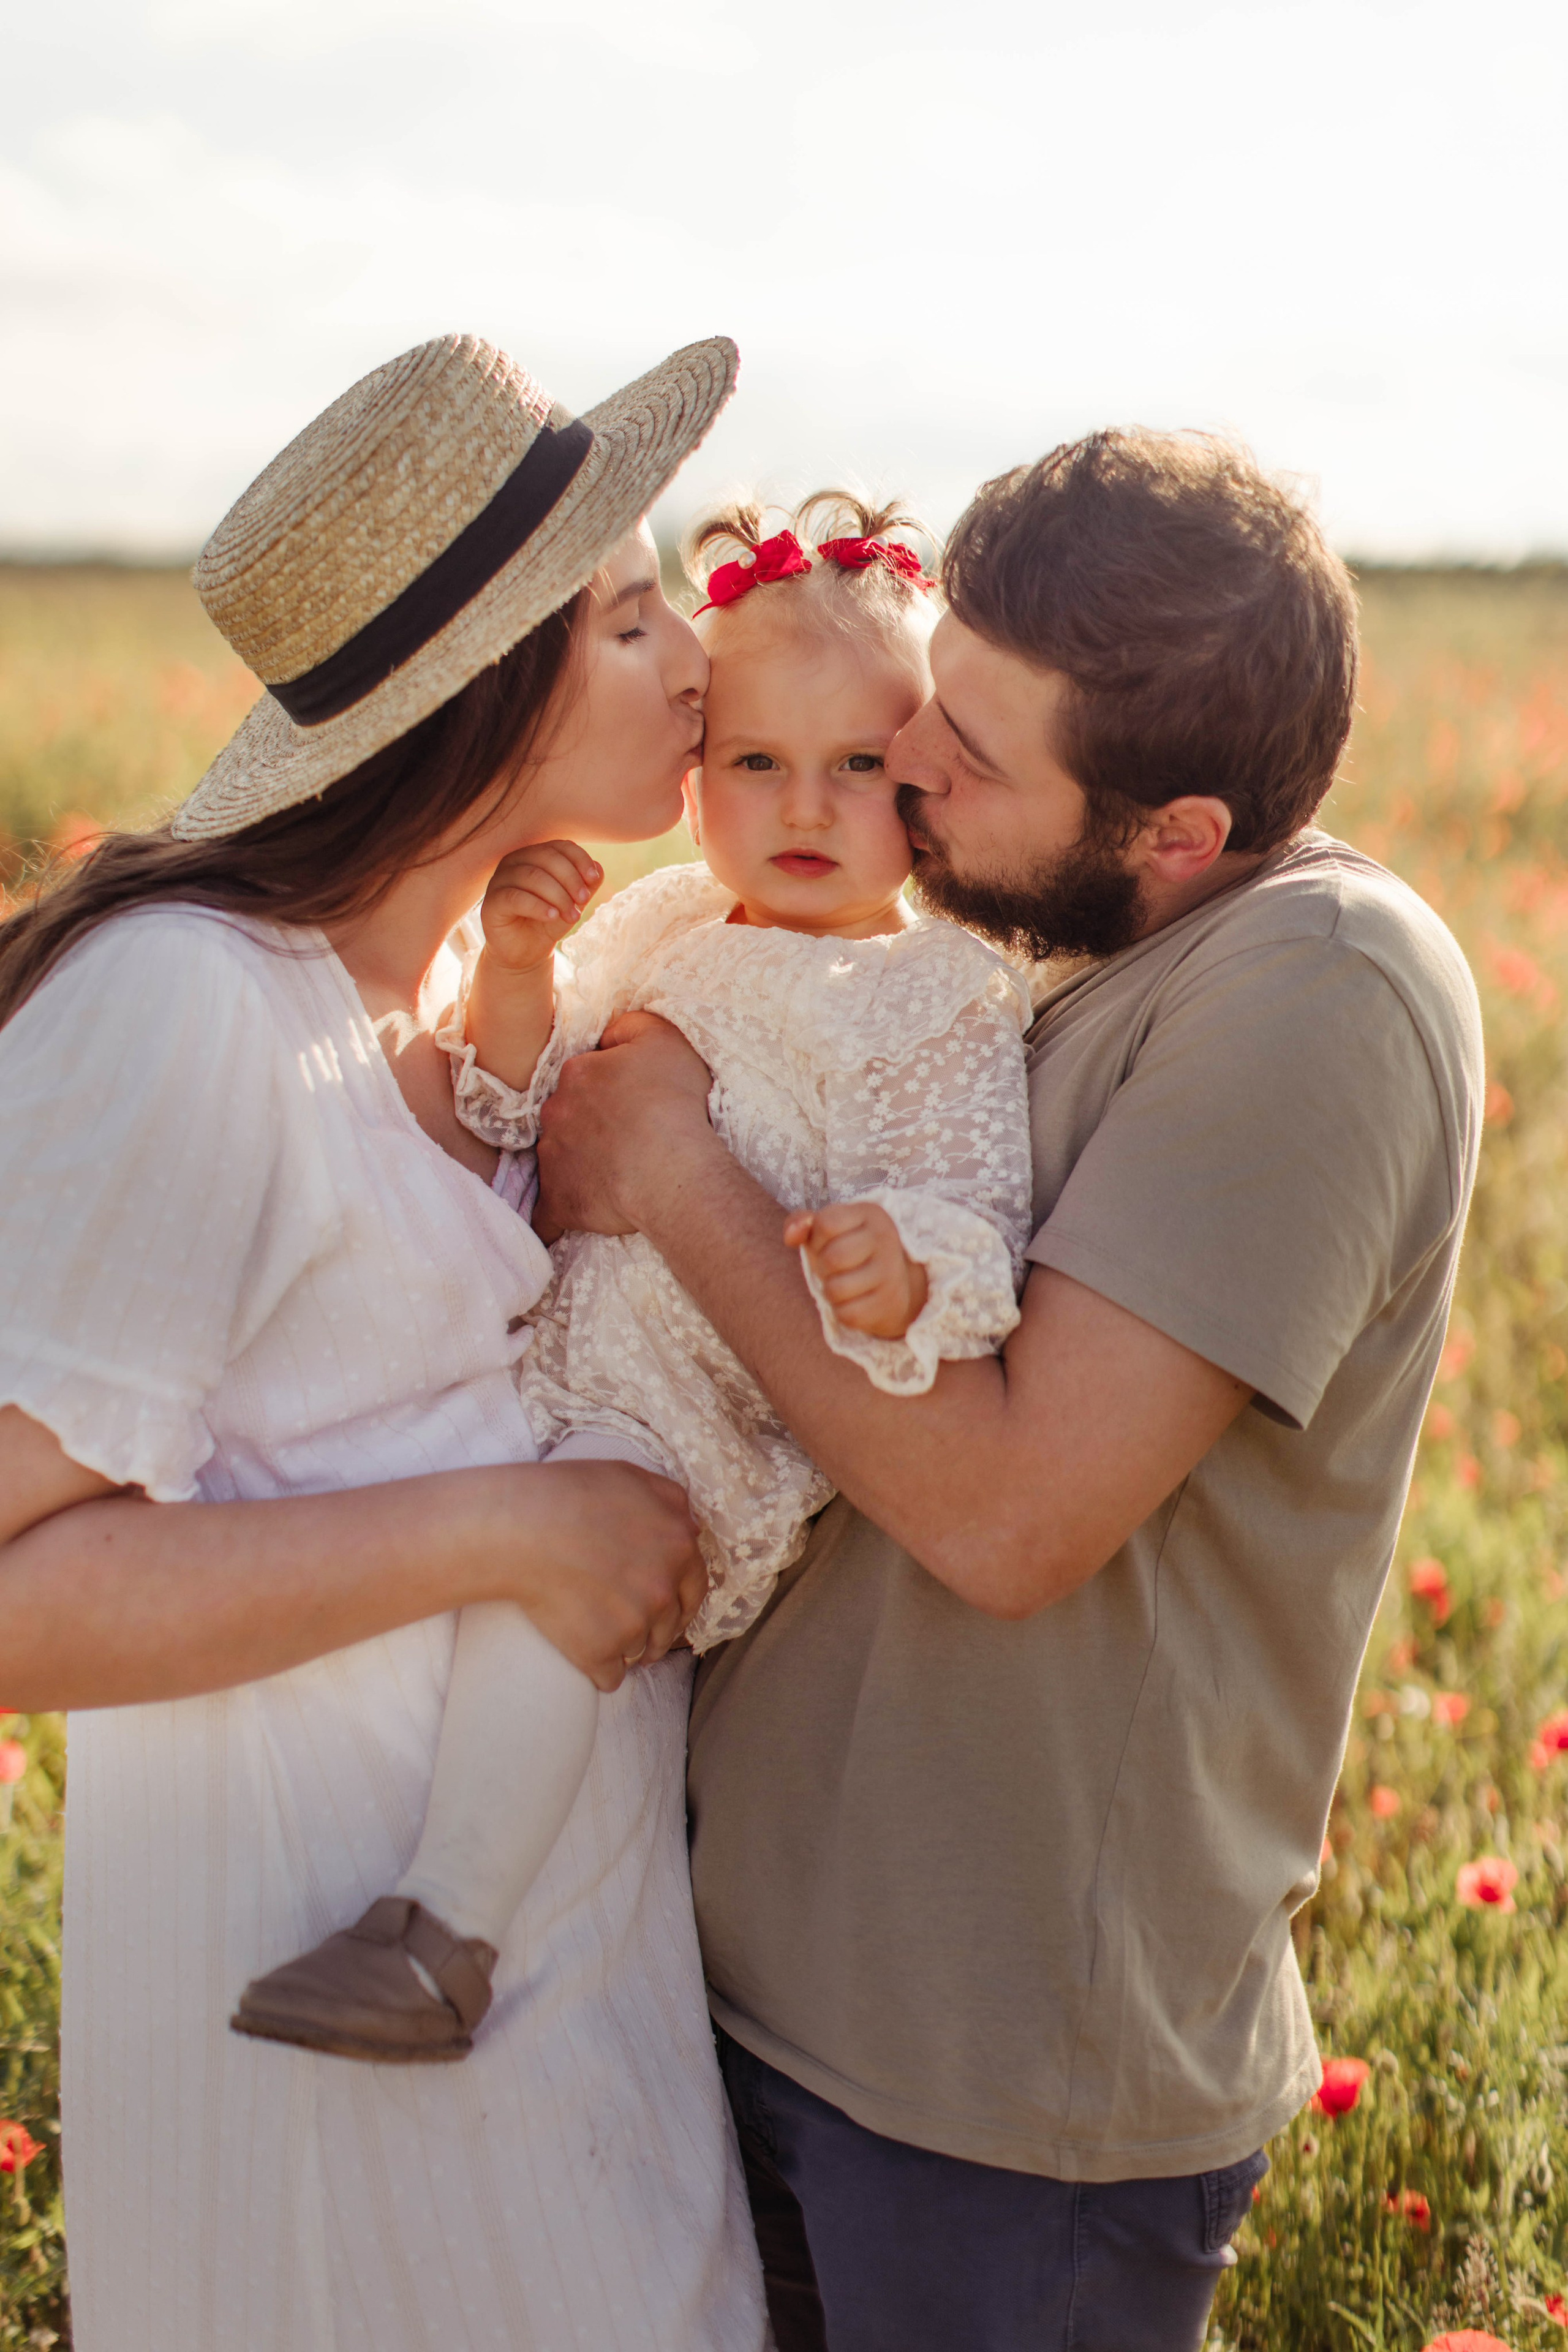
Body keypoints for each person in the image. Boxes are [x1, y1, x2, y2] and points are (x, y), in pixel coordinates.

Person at [531, 430, 1487, 2352]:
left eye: (969, 755)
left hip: (1002, 2097)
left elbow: (1011, 1516)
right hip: (771, 1991)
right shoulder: (1039, 929)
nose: (910, 772)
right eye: (932, 707)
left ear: (1177, 833)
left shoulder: (1316, 987)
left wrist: (670, 1170)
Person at [0, 330, 772, 2352]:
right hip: (342, 2083)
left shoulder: (428, 998)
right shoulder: (187, 1005)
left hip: (547, 2035)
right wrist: (508, 1538)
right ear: (478, 694)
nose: (696, 654)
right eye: (627, 617)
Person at [233, 493, 1035, 2064]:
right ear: (693, 774)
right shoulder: (663, 916)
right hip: (548, 1356)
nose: (803, 805)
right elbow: (517, 1115)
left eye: (856, 767)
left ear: (921, 774)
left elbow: (978, 1217)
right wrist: (523, 977)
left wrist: (901, 1266)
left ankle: (442, 1934)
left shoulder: (932, 988)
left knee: (554, 1585)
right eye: (754, 761)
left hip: (692, 1410)